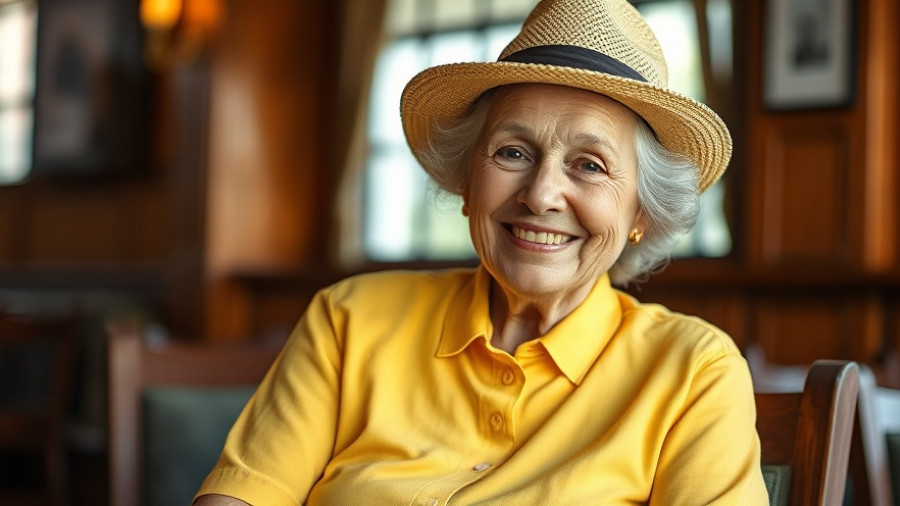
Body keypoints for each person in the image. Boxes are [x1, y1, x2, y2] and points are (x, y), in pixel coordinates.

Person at [194, 0, 768, 504]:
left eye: (589, 165)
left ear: (640, 213)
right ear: (467, 183)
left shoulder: (693, 373)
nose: (541, 194)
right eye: (513, 152)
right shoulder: (349, 320)